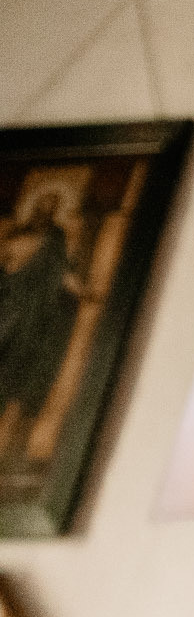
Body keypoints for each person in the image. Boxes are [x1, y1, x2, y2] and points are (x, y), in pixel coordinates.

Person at [0, 188, 83, 454]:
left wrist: (82, 290)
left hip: (33, 311)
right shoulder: (17, 234)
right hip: (8, 302)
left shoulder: (54, 238)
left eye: (53, 205)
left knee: (17, 369)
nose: (46, 209)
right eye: (43, 203)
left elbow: (61, 270)